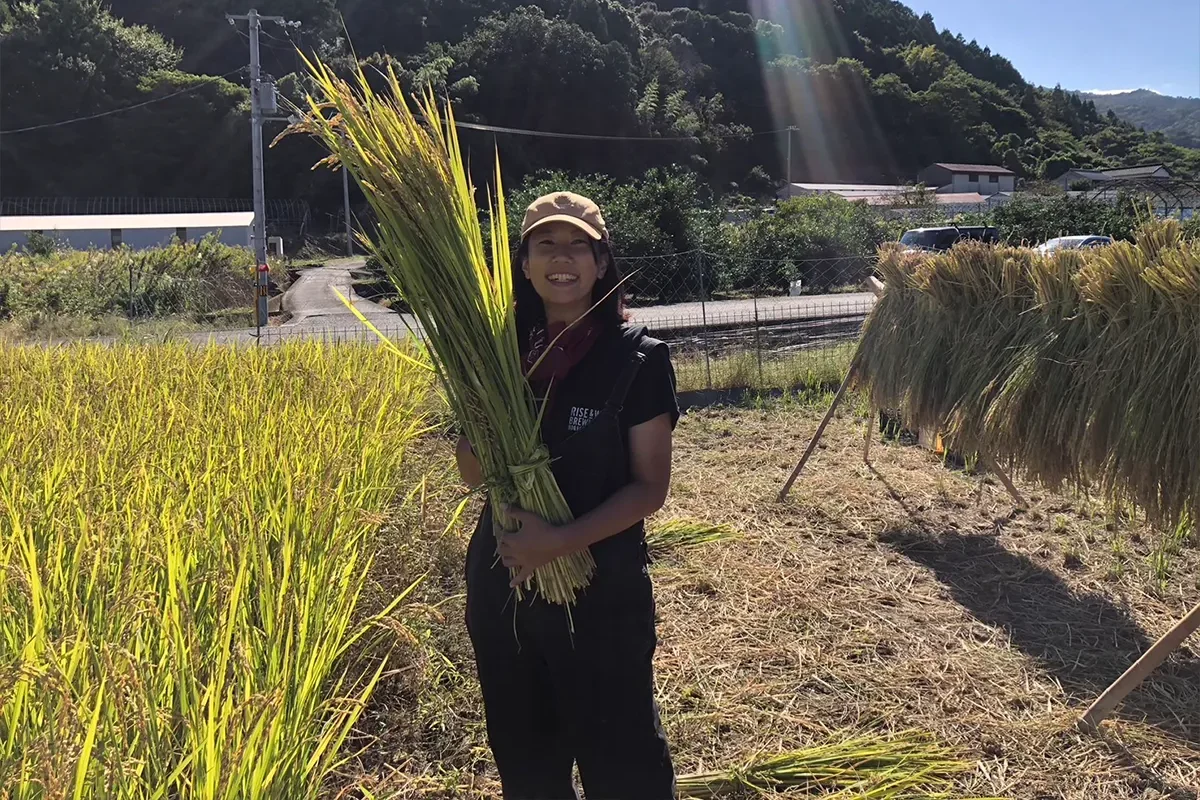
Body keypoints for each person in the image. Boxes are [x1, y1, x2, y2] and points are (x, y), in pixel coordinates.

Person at [456, 191, 678, 799]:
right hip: (506, 583)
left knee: (623, 760)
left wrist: (559, 542)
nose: (563, 257)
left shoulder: (636, 358)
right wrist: (480, 412)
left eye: (578, 244)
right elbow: (473, 474)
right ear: (522, 263)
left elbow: (649, 488)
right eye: (545, 245)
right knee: (526, 761)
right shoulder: (496, 357)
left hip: (601, 586)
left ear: (601, 263)